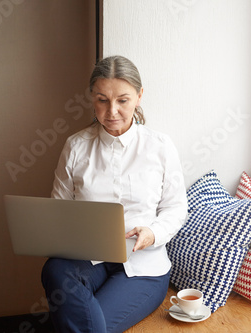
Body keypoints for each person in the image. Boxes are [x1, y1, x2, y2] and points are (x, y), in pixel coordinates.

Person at [41, 55, 188, 332]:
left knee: (90, 326)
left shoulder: (160, 146)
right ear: (91, 98)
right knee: (54, 269)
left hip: (143, 267)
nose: (112, 112)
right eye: (102, 100)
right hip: (88, 261)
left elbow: (176, 207)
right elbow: (58, 211)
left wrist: (153, 233)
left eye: (123, 100)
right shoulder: (75, 147)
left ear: (139, 96)